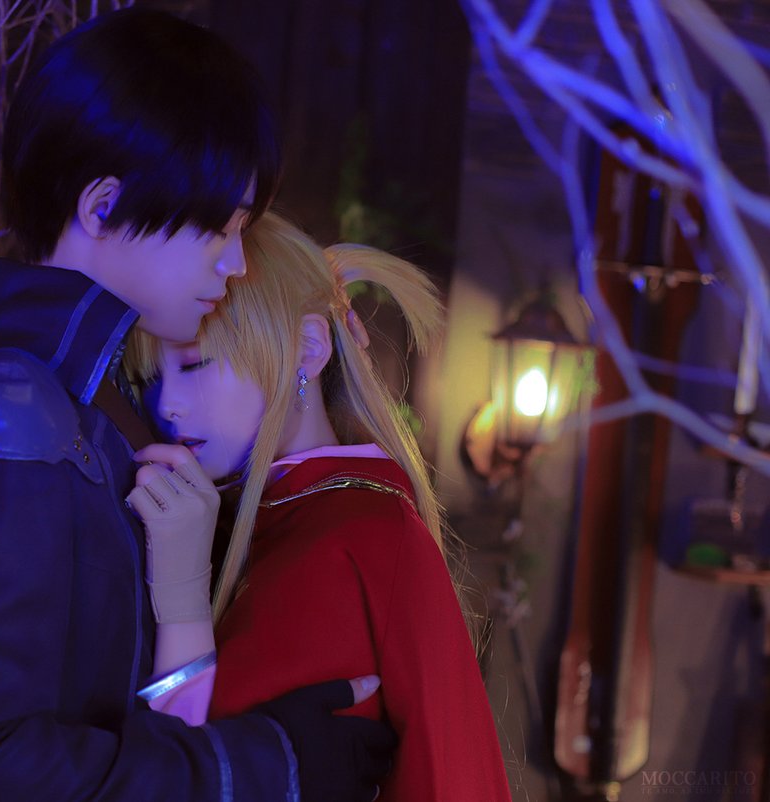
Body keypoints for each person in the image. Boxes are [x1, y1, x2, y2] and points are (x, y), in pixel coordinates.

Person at [0, 10, 395, 801]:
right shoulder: (4, 420)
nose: (234, 262)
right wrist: (264, 768)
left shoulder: (96, 404)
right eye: (216, 227)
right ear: (103, 206)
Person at [125, 211, 513, 801]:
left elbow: (193, 777)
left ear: (308, 347)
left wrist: (181, 600)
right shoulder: (296, 518)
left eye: (196, 364)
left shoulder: (344, 541)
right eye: (152, 379)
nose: (167, 405)